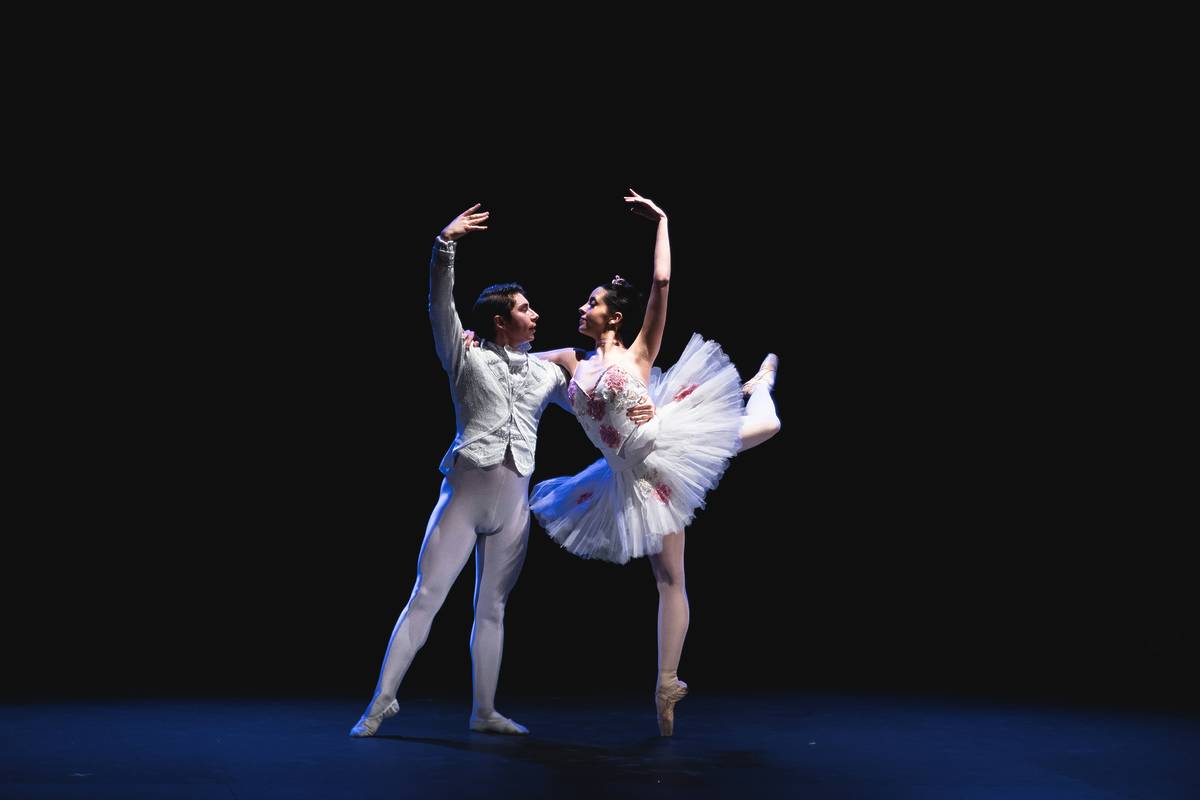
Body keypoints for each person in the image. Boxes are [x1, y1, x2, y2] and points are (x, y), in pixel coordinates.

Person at [349, 204, 655, 738]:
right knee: (426, 596)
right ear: (499, 320)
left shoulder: (544, 373)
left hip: (514, 503)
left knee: (492, 608)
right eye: (525, 308)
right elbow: (438, 304)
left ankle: (484, 710)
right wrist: (444, 245)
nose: (536, 315)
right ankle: (381, 701)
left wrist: (644, 408)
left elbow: (597, 397)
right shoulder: (464, 356)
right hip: (464, 498)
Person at [524, 190, 781, 736]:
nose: (580, 308)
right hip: (626, 478)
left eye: (590, 302)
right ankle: (667, 685)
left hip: (665, 449)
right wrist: (478, 344)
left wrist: (662, 221)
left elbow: (661, 285)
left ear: (613, 316)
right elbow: (516, 361)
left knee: (770, 426)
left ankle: (759, 387)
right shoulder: (571, 362)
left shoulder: (640, 351)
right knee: (668, 579)